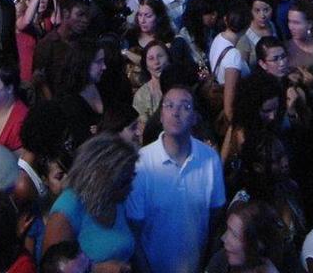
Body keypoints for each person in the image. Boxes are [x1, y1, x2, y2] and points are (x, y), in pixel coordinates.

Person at [126, 86, 227, 273]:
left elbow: (216, 216)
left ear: (195, 117)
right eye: (169, 105)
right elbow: (134, 229)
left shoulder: (209, 158)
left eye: (185, 106)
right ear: (161, 115)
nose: (176, 112)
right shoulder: (142, 162)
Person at [46, 134, 141, 273]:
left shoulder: (117, 201)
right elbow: (52, 269)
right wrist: (96, 269)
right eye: (124, 181)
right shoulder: (67, 211)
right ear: (103, 178)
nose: (130, 187)